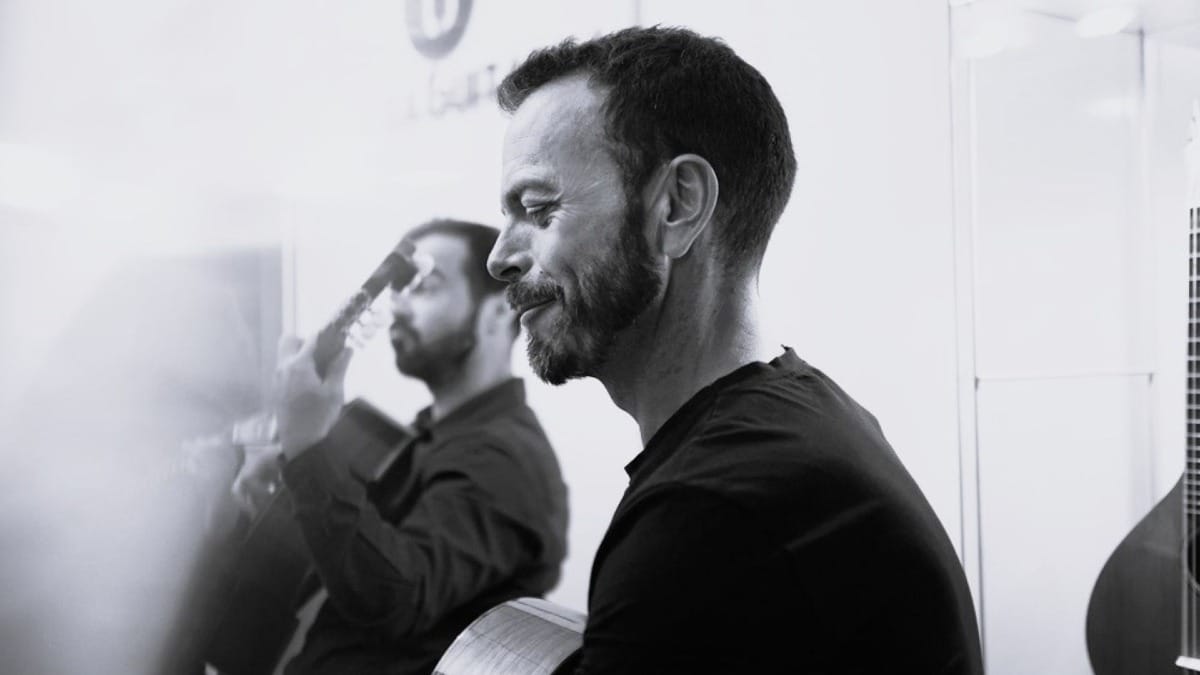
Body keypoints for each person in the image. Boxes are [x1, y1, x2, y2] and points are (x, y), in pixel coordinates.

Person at [486, 26, 984, 674]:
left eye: (538, 208)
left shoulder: (717, 511)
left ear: (678, 206)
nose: (499, 257)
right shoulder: (794, 419)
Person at [267, 218, 569, 674]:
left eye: (425, 287)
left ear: (498, 312)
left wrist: (307, 446)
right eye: (399, 289)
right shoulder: (426, 436)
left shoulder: (506, 460)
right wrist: (287, 461)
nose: (400, 306)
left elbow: (394, 596)